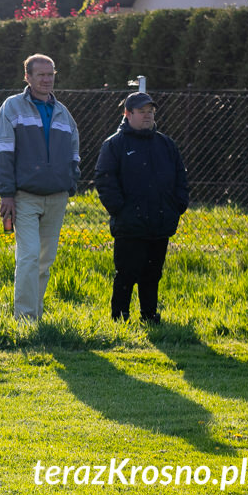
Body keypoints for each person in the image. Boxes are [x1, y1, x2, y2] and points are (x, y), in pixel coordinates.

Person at [0, 54, 80, 321]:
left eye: (50, 74)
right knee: (28, 257)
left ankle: (36, 318)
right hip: (24, 197)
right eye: (40, 74)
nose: (46, 79)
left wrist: (70, 182)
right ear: (26, 77)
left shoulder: (63, 112)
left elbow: (74, 151)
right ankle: (25, 321)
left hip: (57, 197)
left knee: (44, 261)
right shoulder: (12, 107)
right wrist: (6, 193)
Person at [94, 92, 189, 323]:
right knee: (126, 273)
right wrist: (120, 209)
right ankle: (119, 317)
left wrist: (177, 206)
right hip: (130, 223)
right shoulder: (114, 144)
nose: (147, 116)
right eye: (141, 111)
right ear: (128, 114)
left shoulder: (166, 144)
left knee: (153, 273)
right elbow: (104, 179)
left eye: (151, 111)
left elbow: (180, 177)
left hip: (161, 221)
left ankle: (149, 315)